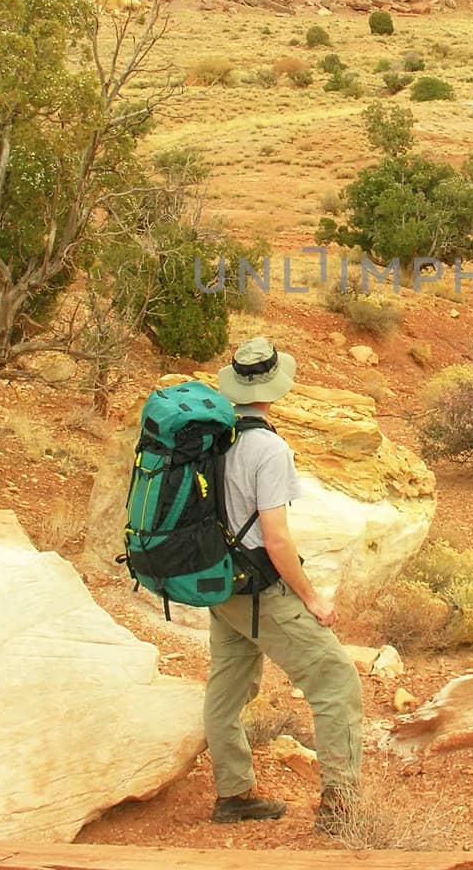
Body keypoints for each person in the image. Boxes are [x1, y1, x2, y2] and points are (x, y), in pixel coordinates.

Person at [205, 336, 364, 830]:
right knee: (335, 678)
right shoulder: (267, 447)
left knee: (228, 690)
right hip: (257, 590)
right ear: (273, 388)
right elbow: (276, 539)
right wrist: (312, 598)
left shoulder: (215, 436)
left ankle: (233, 794)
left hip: (218, 584)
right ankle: (341, 806)